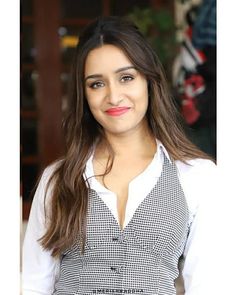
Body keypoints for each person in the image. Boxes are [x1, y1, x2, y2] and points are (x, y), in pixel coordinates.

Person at [22, 16, 221, 295]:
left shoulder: (198, 176)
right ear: (84, 94)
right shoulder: (57, 179)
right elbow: (35, 284)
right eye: (96, 84)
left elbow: (209, 284)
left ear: (149, 81)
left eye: (126, 78)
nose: (113, 96)